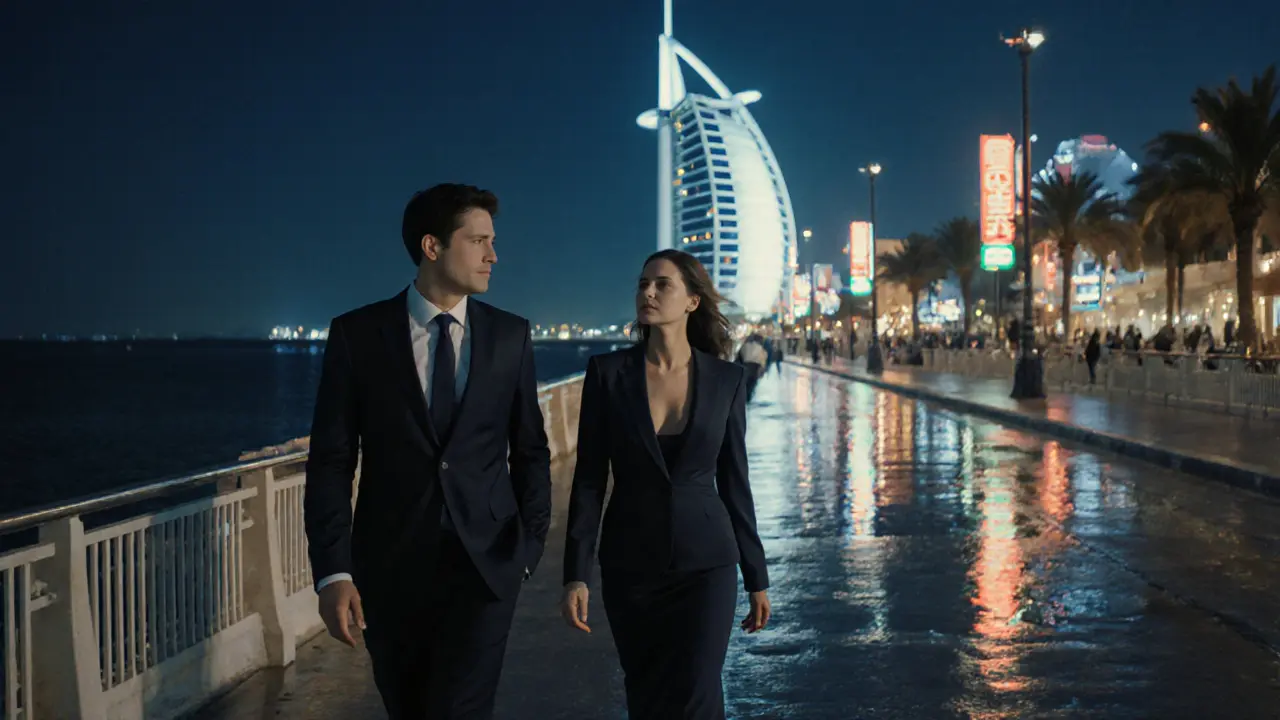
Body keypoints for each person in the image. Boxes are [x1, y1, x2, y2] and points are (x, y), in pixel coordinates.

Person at [303, 184, 552, 719]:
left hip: (487, 568)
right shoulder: (358, 335)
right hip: (390, 570)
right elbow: (330, 460)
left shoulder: (511, 337)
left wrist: (527, 550)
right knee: (410, 708)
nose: (493, 255)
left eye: (493, 241)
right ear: (433, 246)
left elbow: (531, 449)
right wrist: (334, 572)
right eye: (479, 240)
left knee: (460, 709)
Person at [560, 249, 771, 720]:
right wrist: (576, 572)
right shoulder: (608, 374)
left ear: (692, 301)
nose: (647, 293)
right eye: (642, 284)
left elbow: (736, 481)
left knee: (698, 693)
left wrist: (756, 576)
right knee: (648, 695)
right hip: (630, 566)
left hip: (707, 565)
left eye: (661, 285)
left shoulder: (726, 380)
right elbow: (590, 480)